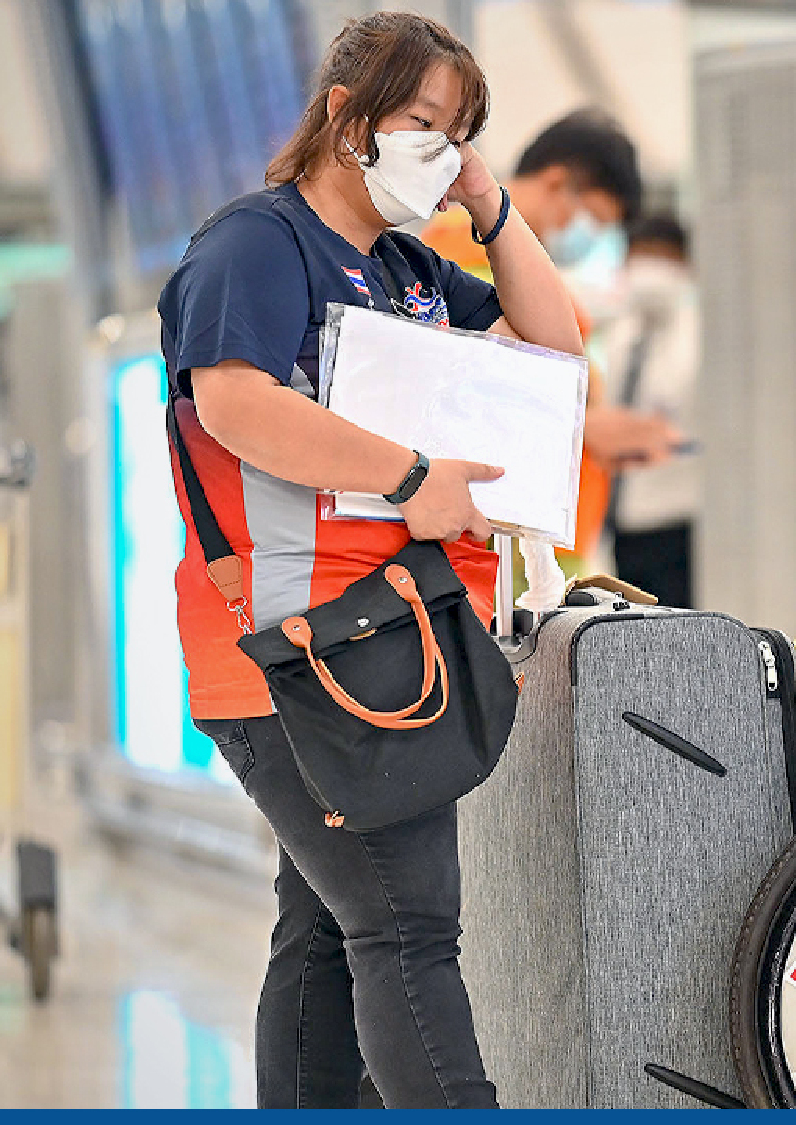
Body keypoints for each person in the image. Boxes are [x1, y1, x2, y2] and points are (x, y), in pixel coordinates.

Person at [156, 12, 583, 1108]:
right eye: (420, 124)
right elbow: (234, 400)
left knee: (325, 929)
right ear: (345, 115)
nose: (436, 152)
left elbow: (553, 346)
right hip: (295, 647)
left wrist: (488, 205)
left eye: (456, 134)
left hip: (388, 635)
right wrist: (407, 479)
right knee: (405, 926)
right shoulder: (254, 244)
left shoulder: (405, 268)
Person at [422, 110, 681, 561]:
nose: (592, 237)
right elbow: (475, 400)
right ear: (558, 184)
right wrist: (588, 431)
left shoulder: (531, 275)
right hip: (497, 549)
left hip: (537, 546)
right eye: (594, 220)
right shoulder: (458, 259)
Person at [602, 213, 698, 606]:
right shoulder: (621, 335)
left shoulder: (697, 335)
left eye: (658, 258)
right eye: (637, 258)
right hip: (623, 517)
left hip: (680, 514)